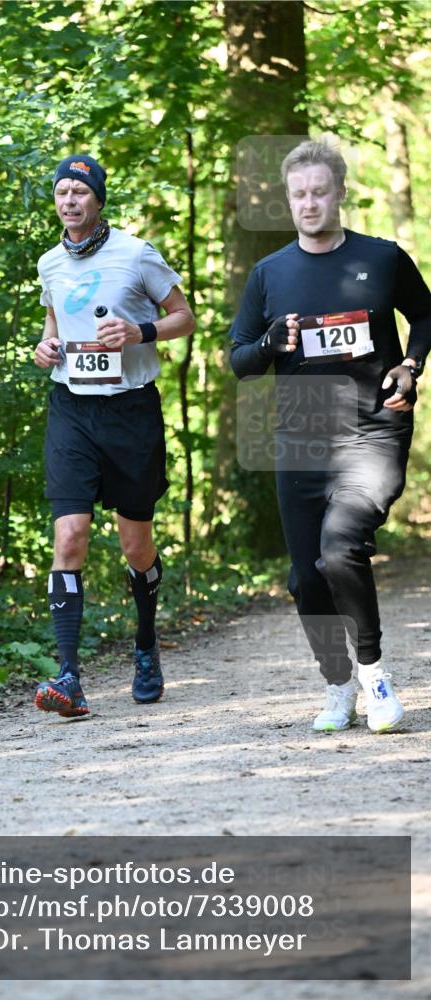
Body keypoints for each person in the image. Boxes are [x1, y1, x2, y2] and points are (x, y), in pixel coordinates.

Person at [229, 139, 430, 734]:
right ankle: (338, 686)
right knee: (304, 577)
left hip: (373, 427)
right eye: (299, 194)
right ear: (287, 201)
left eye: (320, 191)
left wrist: (411, 365)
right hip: (301, 438)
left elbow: (426, 315)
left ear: (340, 192)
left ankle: (374, 676)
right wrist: (270, 343)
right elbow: (239, 359)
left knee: (341, 548)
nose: (309, 203)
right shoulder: (269, 275)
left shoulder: (383, 258)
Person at [32, 154, 195, 717]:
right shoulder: (50, 263)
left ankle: (146, 644)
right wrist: (44, 347)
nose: (70, 201)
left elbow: (185, 317)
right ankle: (69, 676)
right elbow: (54, 327)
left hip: (130, 412)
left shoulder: (136, 253)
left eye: (80, 191)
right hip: (72, 408)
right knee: (70, 535)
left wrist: (139, 331)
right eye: (62, 192)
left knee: (135, 545)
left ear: (98, 199)